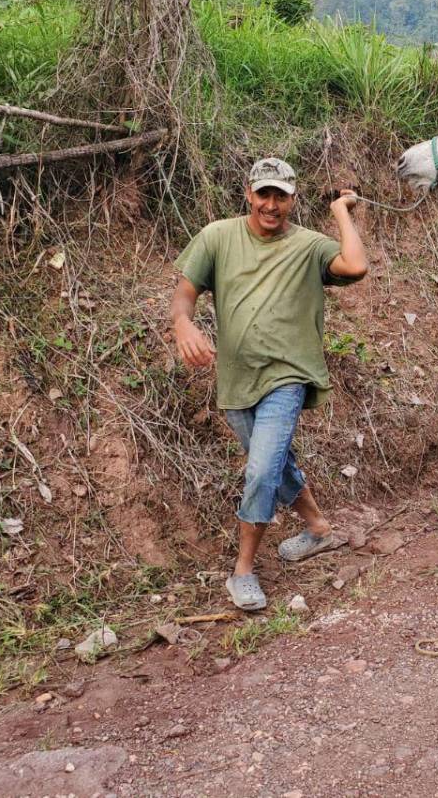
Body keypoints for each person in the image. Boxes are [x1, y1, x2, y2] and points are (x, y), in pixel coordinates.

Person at [170, 157, 368, 611]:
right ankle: (318, 528)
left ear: (293, 199)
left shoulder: (310, 246)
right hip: (236, 380)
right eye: (265, 194)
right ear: (249, 193)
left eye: (281, 195)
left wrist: (341, 213)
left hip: (288, 377)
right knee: (273, 463)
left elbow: (355, 266)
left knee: (260, 470)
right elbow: (183, 294)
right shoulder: (218, 237)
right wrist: (183, 325)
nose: (272, 205)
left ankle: (242, 571)